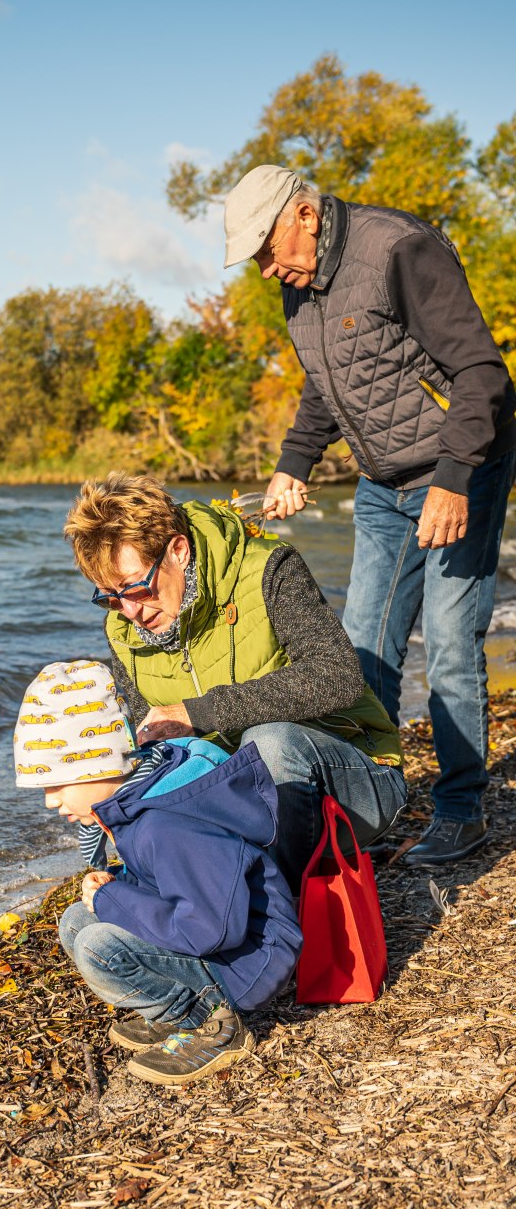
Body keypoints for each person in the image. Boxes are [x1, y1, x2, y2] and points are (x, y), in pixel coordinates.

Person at [222, 165, 516, 867]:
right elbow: (329, 383)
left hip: (462, 470)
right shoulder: (300, 289)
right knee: (362, 651)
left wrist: (452, 479)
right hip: (382, 485)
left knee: (448, 641)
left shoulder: (397, 248)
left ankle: (460, 810)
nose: (264, 270)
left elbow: (484, 373)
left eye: (265, 249)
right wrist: (295, 460)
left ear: (305, 215)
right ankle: (366, 804)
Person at [62, 472, 407, 893]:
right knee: (90, 920)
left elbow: (336, 677)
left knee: (269, 745)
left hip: (355, 781)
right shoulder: (122, 630)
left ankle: (280, 913)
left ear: (178, 551)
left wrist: (198, 713)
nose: (129, 610)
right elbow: (154, 755)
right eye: (110, 596)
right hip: (237, 800)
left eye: (136, 587)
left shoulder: (268, 569)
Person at [13, 658, 302, 1085]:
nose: (50, 802)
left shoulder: (166, 823)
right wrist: (119, 883)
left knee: (98, 946)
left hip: (246, 960)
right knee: (77, 920)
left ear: (97, 766)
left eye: (55, 784)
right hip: (216, 942)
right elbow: (165, 883)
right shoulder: (141, 799)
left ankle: (209, 1022)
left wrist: (116, 900)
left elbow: (212, 928)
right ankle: (181, 1005)